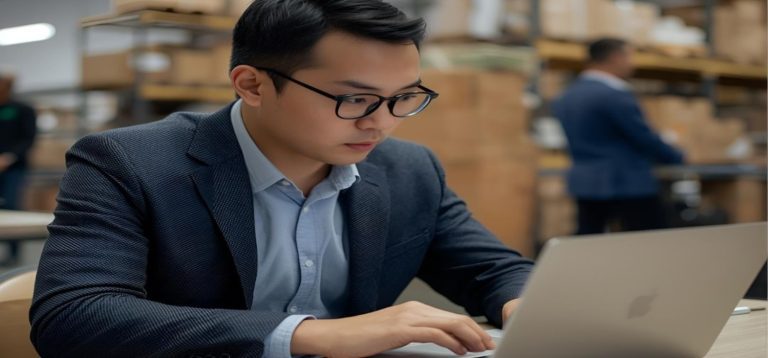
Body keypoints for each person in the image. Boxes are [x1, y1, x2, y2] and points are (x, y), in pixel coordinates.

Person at [30, 1, 533, 357]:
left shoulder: (409, 169)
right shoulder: (130, 162)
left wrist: (524, 307)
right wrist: (312, 335)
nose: (381, 123)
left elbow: (492, 271)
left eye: (404, 97)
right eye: (355, 99)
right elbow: (75, 315)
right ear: (252, 84)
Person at [553, 38, 685, 235]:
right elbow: (642, 136)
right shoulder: (614, 95)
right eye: (629, 56)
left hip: (586, 183)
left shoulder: (567, 95)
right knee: (650, 241)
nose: (632, 64)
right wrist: (676, 156)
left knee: (589, 240)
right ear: (616, 57)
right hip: (626, 182)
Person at [0, 72, 37, 265]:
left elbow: (28, 138)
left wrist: (9, 157)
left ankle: (13, 254)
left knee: (11, 204)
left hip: (14, 166)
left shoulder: (23, 109)